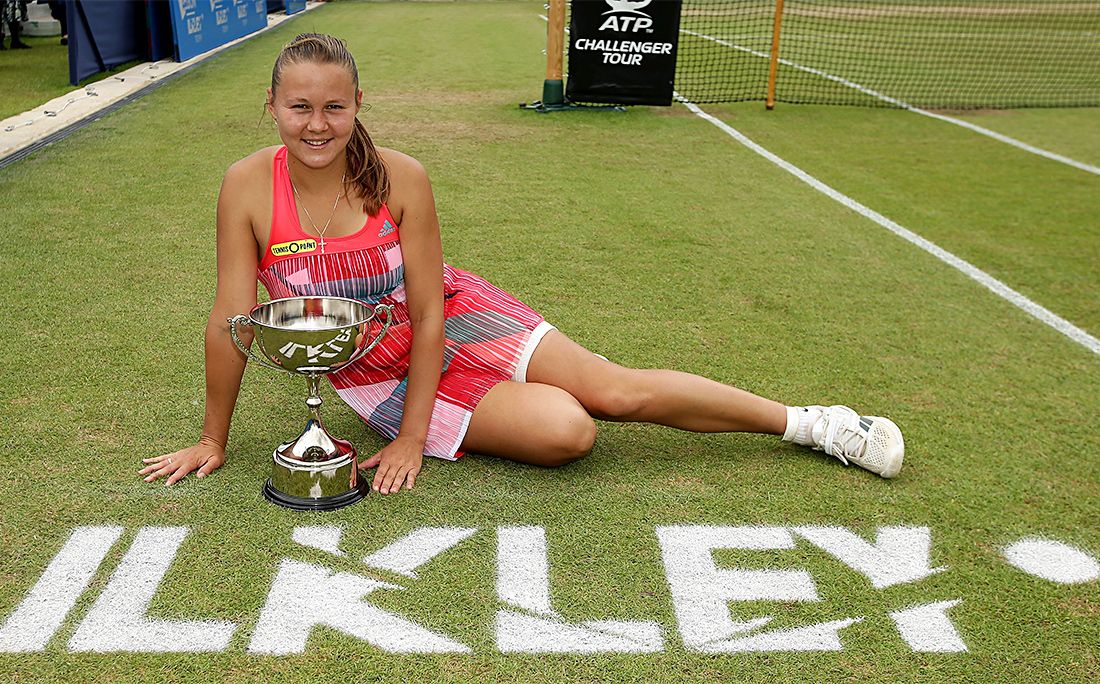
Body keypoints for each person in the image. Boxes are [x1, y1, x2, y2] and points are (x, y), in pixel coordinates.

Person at [141, 33, 904, 494]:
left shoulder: (403, 177)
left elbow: (430, 311)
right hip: (375, 372)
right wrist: (213, 438)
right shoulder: (247, 185)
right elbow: (231, 321)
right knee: (569, 432)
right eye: (300, 107)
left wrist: (411, 439)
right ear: (272, 105)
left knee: (614, 391)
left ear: (358, 103)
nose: (317, 125)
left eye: (334, 107)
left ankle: (812, 425)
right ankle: (503, 402)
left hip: (455, 318)